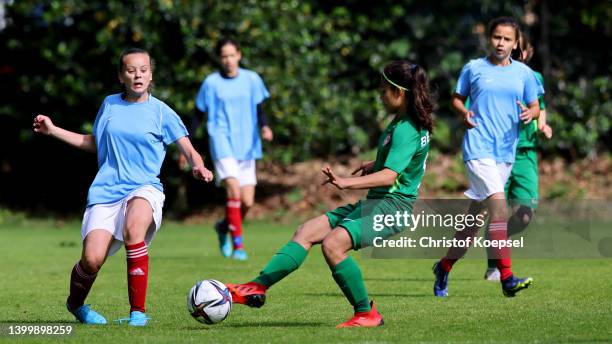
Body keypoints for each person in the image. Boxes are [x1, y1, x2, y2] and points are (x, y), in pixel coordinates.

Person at [225, 60, 434, 328]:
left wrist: (345, 183)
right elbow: (405, 163)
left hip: (392, 210)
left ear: (399, 92)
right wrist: (373, 164)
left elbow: (390, 176)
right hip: (377, 204)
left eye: (384, 90)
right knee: (307, 231)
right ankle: (257, 286)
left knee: (333, 244)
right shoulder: (404, 122)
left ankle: (366, 313)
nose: (380, 95)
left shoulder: (406, 128)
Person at [32, 48, 214, 326]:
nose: (137, 74)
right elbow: (94, 143)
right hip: (105, 191)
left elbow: (189, 150)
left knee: (134, 229)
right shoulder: (109, 105)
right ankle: (76, 304)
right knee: (91, 260)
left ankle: (137, 314)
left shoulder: (162, 112)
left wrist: (198, 167)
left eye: (143, 69)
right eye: (131, 70)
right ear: (121, 76)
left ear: (150, 74)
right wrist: (53, 130)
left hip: (144, 187)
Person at [432, 16, 543, 297]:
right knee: (500, 209)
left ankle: (444, 267)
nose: (501, 43)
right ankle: (506, 277)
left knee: (472, 225)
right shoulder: (474, 68)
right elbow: (457, 98)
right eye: (496, 37)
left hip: (505, 153)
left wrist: (532, 114)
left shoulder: (524, 74)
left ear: (515, 43)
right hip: (478, 149)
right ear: (489, 39)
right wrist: (463, 112)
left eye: (507, 39)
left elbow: (535, 105)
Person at [188, 37, 272, 261]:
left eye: (232, 55)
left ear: (239, 55)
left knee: (248, 202)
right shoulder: (211, 83)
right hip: (222, 141)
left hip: (247, 144)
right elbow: (198, 115)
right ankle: (239, 246)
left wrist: (265, 127)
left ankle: (224, 226)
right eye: (224, 56)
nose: (228, 60)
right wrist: (188, 145)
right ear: (219, 58)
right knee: (233, 191)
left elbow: (260, 108)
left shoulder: (252, 79)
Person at [483, 31, 553, 281]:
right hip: (499, 152)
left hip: (525, 154)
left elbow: (540, 108)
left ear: (527, 51)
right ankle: (495, 265)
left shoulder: (534, 78)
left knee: (524, 216)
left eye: (520, 50)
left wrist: (542, 124)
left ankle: (492, 238)